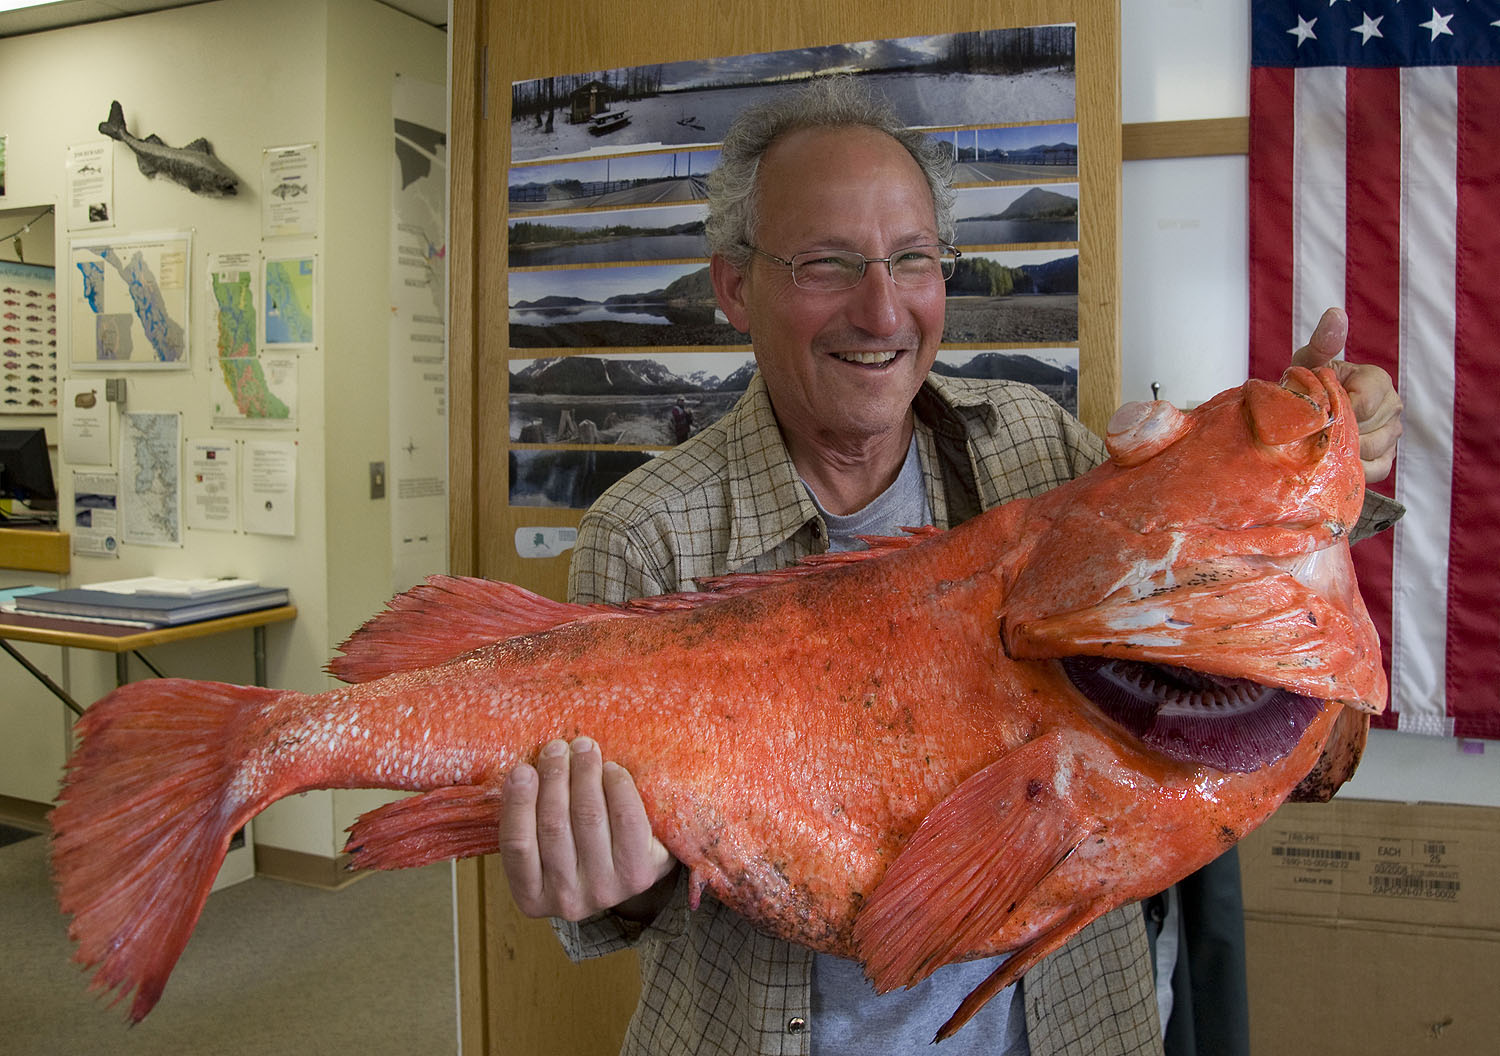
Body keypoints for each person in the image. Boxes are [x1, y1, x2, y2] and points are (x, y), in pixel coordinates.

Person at [497, 78, 1403, 1056]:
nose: (882, 309)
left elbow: (1211, 591)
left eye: (913, 259)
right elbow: (611, 893)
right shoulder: (645, 534)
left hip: (1067, 1029)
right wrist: (608, 886)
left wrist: (1325, 456)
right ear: (732, 287)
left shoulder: (1035, 446)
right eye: (827, 263)